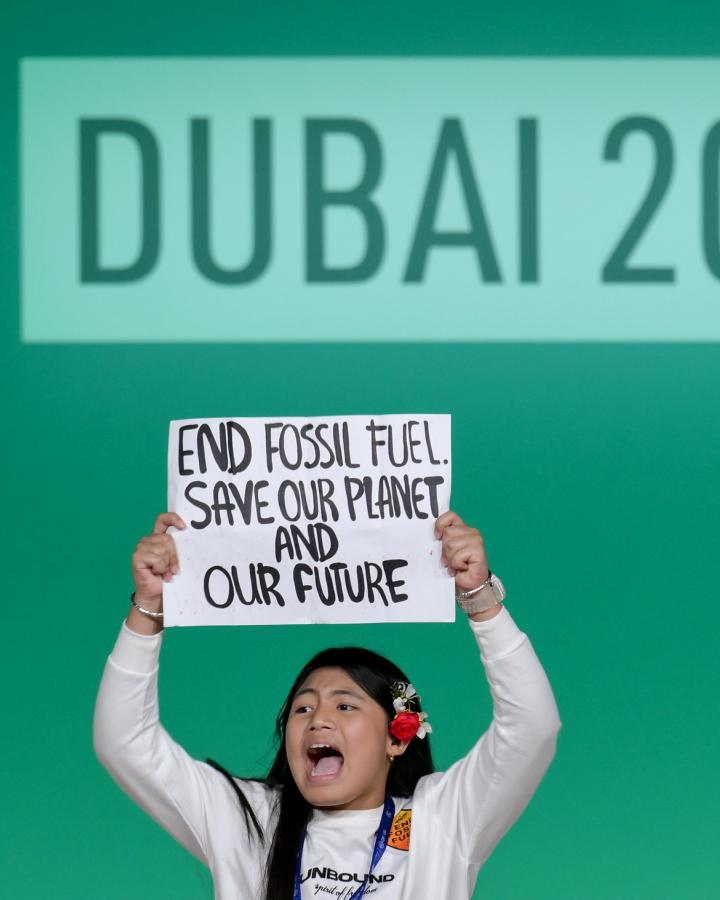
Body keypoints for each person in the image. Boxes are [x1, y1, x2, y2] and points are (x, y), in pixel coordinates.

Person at [94, 510, 561, 900]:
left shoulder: (440, 818)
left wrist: (479, 600)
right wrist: (148, 607)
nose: (317, 718)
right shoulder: (250, 820)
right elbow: (124, 742)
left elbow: (532, 727)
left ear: (397, 737)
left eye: (345, 706)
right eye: (302, 708)